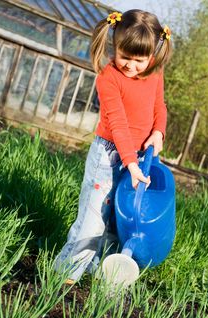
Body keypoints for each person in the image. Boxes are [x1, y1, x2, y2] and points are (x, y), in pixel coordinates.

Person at [55, 9, 172, 284]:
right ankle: (65, 274)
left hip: (139, 157)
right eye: (125, 57)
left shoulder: (154, 72)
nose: (131, 66)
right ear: (114, 46)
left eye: (139, 60)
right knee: (94, 218)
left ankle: (98, 270)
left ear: (151, 55)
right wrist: (130, 163)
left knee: (118, 220)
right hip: (108, 156)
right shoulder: (108, 78)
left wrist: (159, 132)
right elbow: (117, 123)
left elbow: (159, 106)